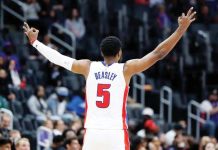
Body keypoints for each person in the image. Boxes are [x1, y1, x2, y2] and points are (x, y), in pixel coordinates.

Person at [23, 7, 196, 150]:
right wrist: (181, 29)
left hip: (92, 133)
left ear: (101, 53)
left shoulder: (88, 66)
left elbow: (59, 59)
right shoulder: (126, 69)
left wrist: (35, 42)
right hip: (115, 133)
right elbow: (159, 53)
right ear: (119, 53)